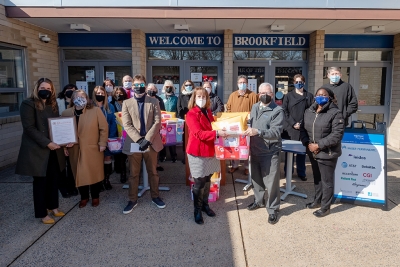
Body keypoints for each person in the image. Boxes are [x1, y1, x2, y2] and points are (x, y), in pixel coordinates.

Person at [15, 78, 65, 224]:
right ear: (37, 88)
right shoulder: (28, 104)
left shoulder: (52, 105)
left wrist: (63, 141)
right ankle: (42, 213)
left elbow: (55, 126)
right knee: (40, 182)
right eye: (43, 88)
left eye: (49, 89)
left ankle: (53, 207)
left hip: (53, 149)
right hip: (37, 150)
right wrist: (47, 143)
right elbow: (29, 128)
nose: (46, 91)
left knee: (53, 179)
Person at [121, 74, 166, 214]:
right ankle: (132, 199)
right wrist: (140, 140)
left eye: (141, 85)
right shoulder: (126, 103)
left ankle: (155, 196)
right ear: (132, 87)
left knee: (153, 172)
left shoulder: (154, 101)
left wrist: (147, 139)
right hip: (135, 143)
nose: (138, 88)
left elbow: (157, 121)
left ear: (145, 87)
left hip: (151, 142)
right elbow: (127, 124)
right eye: (136, 86)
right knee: (134, 174)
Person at [186, 87, 228, 224]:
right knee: (199, 181)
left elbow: (213, 126)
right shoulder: (191, 114)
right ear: (194, 98)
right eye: (199, 96)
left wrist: (220, 129)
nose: (202, 99)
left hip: (210, 150)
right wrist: (217, 134)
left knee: (208, 177)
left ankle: (205, 205)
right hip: (197, 152)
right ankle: (196, 210)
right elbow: (198, 133)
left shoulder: (208, 111)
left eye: (204, 97)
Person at [300, 87, 344, 217]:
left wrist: (318, 145)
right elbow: (303, 128)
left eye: (324, 95)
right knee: (317, 179)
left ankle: (325, 207)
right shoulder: (309, 111)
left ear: (329, 97)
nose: (321, 97)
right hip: (312, 151)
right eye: (318, 94)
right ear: (314, 96)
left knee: (327, 181)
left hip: (327, 152)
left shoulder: (335, 113)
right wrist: (307, 143)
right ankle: (317, 201)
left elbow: (337, 134)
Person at [244, 83, 284, 225]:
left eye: (266, 93)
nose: (263, 95)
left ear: (272, 94)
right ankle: (258, 201)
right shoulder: (255, 107)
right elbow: (251, 123)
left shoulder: (277, 110)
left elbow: (276, 132)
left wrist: (258, 132)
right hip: (255, 149)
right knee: (256, 179)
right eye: (261, 93)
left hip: (270, 151)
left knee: (271, 181)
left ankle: (273, 209)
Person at [62, 90, 108, 208]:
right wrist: (64, 147)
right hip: (74, 149)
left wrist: (102, 143)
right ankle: (84, 197)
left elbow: (103, 128)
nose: (79, 98)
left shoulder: (95, 111)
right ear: (72, 99)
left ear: (87, 99)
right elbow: (62, 133)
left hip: (92, 148)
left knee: (93, 173)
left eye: (82, 96)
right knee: (79, 173)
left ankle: (95, 196)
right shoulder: (66, 113)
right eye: (77, 96)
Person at [281, 74, 313, 181]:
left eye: (301, 81)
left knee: (302, 152)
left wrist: (302, 124)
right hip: (290, 128)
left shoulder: (309, 95)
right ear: (293, 83)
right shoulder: (288, 96)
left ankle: (301, 172)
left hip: (303, 128)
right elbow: (284, 111)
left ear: (304, 82)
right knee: (289, 152)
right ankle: (288, 171)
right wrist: (293, 123)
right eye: (297, 82)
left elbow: (311, 112)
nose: (299, 83)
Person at [226, 75, 258, 175]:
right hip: (235, 125)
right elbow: (228, 109)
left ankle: (247, 167)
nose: (242, 84)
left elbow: (256, 110)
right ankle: (235, 165)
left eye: (244, 82)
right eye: (240, 83)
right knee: (235, 145)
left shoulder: (253, 95)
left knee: (246, 147)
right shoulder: (233, 95)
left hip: (248, 126)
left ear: (247, 84)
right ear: (237, 84)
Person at [92, 86, 118, 190]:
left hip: (108, 137)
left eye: (103, 94)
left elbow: (113, 123)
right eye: (98, 93)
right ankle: (98, 181)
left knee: (107, 158)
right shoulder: (90, 107)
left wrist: (110, 138)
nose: (100, 95)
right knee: (97, 160)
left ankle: (106, 180)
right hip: (94, 138)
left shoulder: (110, 107)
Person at [56, 83, 79, 198]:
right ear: (64, 91)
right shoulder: (57, 102)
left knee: (71, 164)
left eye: (73, 90)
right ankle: (63, 187)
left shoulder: (77, 103)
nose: (70, 92)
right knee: (61, 164)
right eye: (68, 90)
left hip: (72, 138)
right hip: (59, 137)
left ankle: (72, 186)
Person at [109, 86, 128, 183]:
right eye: (116, 93)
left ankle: (124, 173)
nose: (118, 95)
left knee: (124, 153)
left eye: (120, 93)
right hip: (116, 130)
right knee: (118, 152)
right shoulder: (111, 104)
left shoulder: (128, 102)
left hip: (127, 130)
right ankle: (119, 168)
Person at [146, 83, 166, 171]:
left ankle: (156, 164)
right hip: (146, 126)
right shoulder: (144, 99)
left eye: (153, 89)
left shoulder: (159, 99)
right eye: (150, 89)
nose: (151, 91)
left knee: (156, 146)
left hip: (157, 125)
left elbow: (163, 112)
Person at [159, 80, 178, 163]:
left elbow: (177, 109)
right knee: (162, 138)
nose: (168, 88)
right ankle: (162, 156)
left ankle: (174, 156)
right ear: (164, 87)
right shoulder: (161, 97)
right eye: (167, 86)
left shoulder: (175, 98)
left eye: (170, 87)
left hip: (172, 121)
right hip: (163, 121)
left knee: (172, 139)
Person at [177, 80, 195, 164]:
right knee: (185, 139)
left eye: (190, 85)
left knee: (193, 138)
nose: (188, 86)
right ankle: (185, 157)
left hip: (194, 120)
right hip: (184, 120)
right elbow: (179, 107)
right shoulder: (181, 96)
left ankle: (193, 156)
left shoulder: (195, 95)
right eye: (186, 85)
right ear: (184, 86)